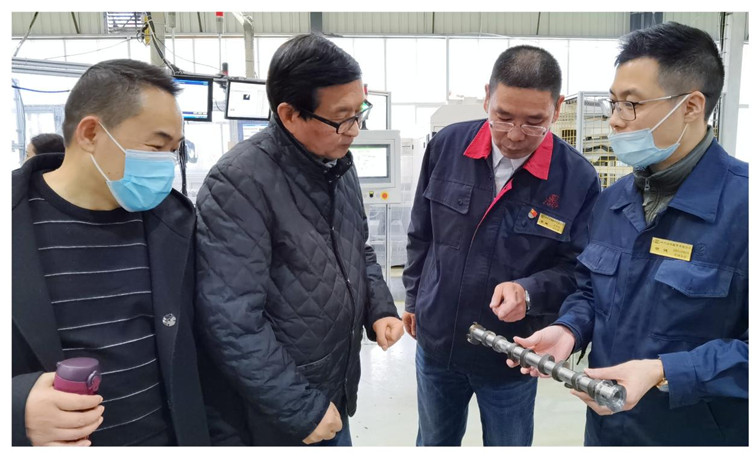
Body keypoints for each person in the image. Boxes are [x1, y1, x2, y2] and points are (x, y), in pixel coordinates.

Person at [504, 22, 747, 446]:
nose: (615, 121)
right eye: (613, 103)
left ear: (691, 106)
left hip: (697, 435)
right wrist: (569, 330)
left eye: (631, 105)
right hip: (608, 428)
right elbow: (591, 291)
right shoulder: (614, 202)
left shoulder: (745, 208)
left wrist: (664, 371)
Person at [194, 33, 404, 446]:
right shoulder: (239, 182)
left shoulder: (336, 163)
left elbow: (357, 248)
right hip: (279, 408)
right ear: (290, 114)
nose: (355, 130)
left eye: (360, 112)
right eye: (342, 118)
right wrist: (299, 407)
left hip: (331, 385)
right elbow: (231, 319)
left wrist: (378, 307)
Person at [402, 45, 601, 446]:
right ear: (487, 97)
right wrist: (413, 297)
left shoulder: (577, 179)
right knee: (434, 441)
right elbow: (422, 231)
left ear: (557, 108)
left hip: (512, 353)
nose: (514, 135)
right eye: (503, 117)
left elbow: (579, 271)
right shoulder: (447, 146)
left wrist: (529, 292)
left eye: (534, 122)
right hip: (439, 341)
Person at [12, 59, 210, 446]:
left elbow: (200, 359)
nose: (166, 163)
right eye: (156, 146)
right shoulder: (14, 225)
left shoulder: (174, 225)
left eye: (173, 150)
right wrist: (15, 411)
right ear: (90, 133)